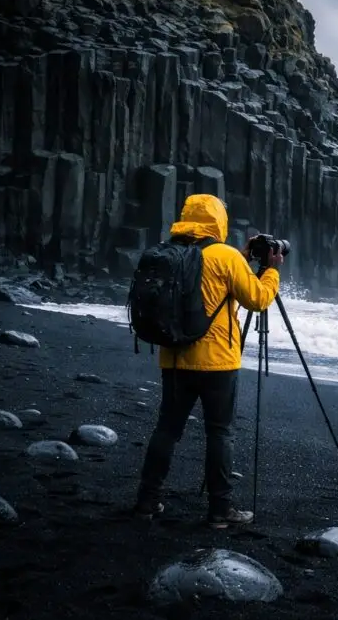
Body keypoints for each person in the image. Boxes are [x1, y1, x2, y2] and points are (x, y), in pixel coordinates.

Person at [132, 193, 282, 529]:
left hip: (173, 358)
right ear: (218, 221)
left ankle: (146, 501)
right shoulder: (225, 257)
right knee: (219, 433)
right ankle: (220, 511)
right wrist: (271, 271)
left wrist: (243, 257)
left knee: (167, 429)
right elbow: (257, 299)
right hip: (217, 364)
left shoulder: (171, 251)